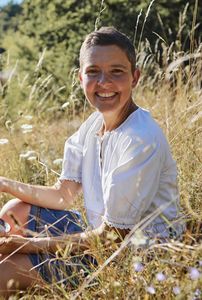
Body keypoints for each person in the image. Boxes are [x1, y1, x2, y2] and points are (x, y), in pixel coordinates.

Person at [0, 27, 184, 297]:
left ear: (135, 77)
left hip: (133, 259)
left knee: (4, 272)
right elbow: (63, 195)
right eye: (93, 71)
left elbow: (112, 239)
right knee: (15, 209)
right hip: (98, 237)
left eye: (116, 72)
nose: (104, 82)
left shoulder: (139, 139)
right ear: (80, 77)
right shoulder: (93, 125)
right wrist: (4, 183)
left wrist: (28, 245)